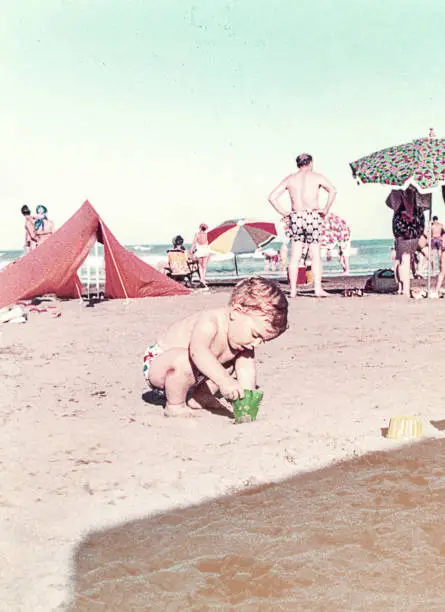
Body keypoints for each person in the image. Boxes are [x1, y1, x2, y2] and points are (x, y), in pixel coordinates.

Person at [143, 276, 288, 417]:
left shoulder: (243, 343)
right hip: (161, 366)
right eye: (256, 335)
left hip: (193, 375)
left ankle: (200, 396)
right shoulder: (210, 321)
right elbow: (197, 352)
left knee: (230, 363)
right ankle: (175, 405)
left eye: (264, 340)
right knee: (186, 360)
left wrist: (245, 398)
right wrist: (225, 381)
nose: (257, 343)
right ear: (237, 312)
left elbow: (246, 370)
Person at [267, 153, 337, 298]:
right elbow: (333, 190)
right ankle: (317, 289)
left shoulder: (290, 179)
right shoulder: (317, 176)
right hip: (312, 215)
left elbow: (272, 197)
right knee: (315, 254)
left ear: (298, 164)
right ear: (310, 163)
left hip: (297, 216)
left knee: (295, 256)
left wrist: (285, 213)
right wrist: (325, 209)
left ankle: (293, 290)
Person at [388, 186, 424, 296]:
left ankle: (401, 287)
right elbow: (423, 206)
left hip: (401, 228)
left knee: (401, 259)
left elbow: (388, 203)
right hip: (412, 229)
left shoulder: (395, 191)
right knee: (406, 259)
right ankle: (405, 288)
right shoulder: (415, 190)